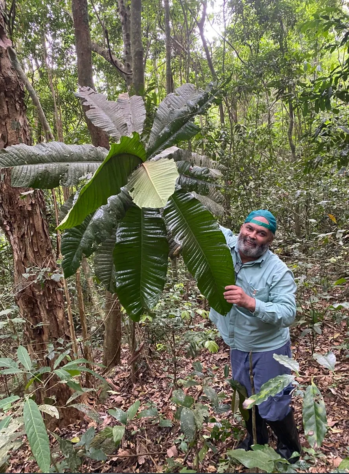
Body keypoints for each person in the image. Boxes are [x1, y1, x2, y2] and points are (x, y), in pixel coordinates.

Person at [209, 210, 301, 463]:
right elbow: (199, 222)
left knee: (273, 400)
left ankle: (290, 447)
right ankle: (255, 439)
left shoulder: (277, 271)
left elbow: (287, 312)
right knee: (245, 394)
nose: (252, 236)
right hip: (237, 343)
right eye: (250, 229)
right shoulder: (225, 244)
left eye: (262, 233)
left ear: (269, 240)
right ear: (242, 227)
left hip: (268, 347)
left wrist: (251, 302)